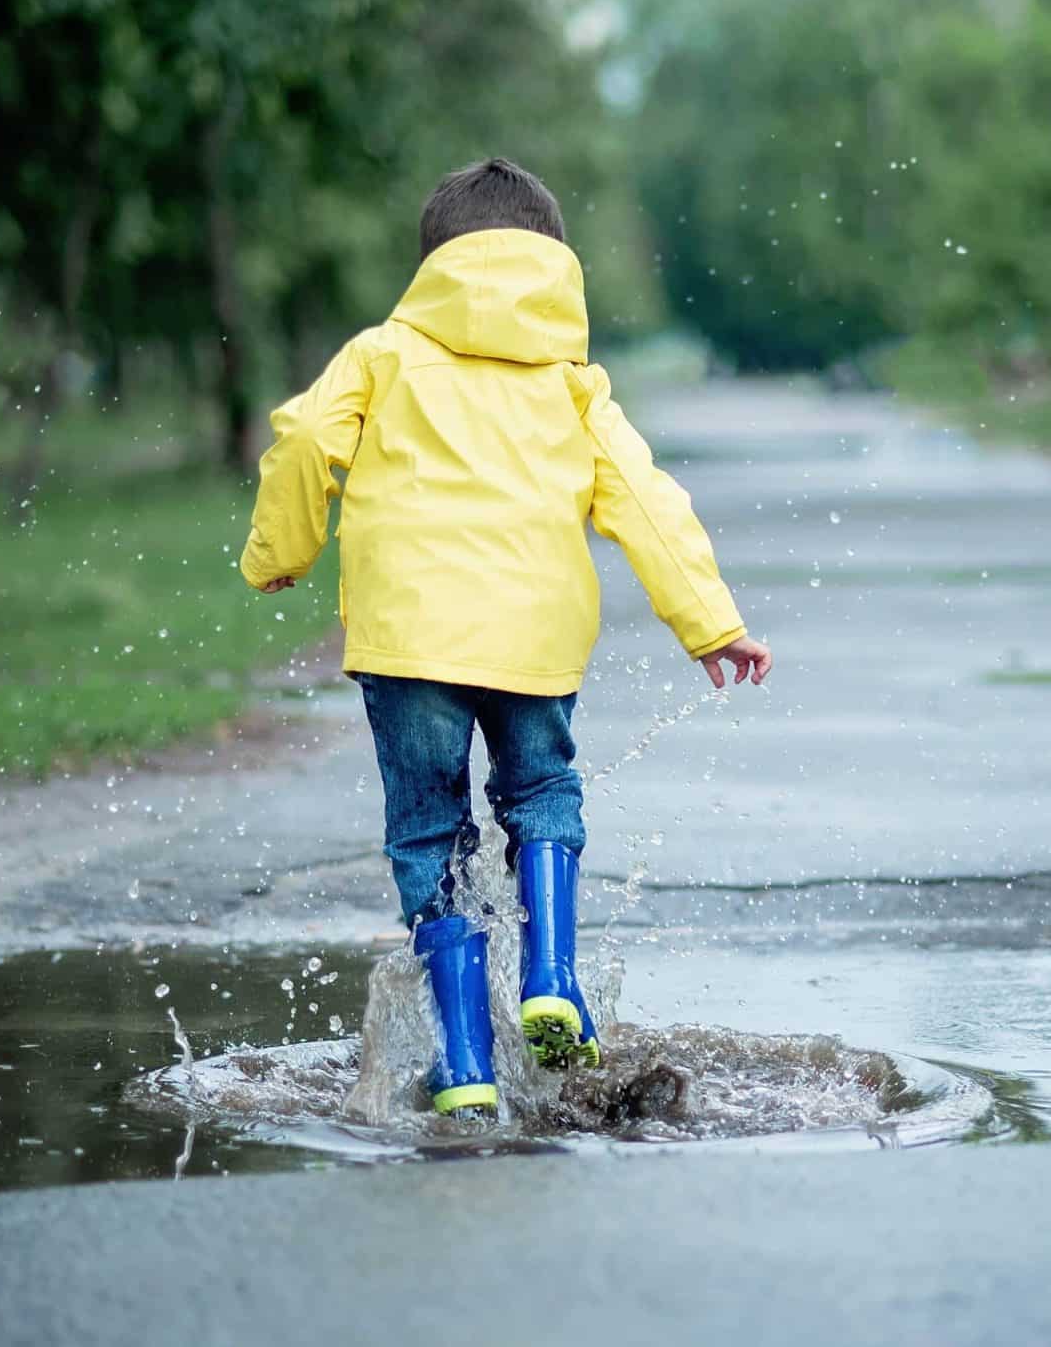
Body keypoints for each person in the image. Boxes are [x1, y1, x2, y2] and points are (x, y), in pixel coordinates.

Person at [239, 158, 771, 1115]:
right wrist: (711, 624)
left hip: (408, 645)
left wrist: (281, 550)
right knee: (542, 795)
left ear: (433, 263)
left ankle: (465, 1073)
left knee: (430, 836)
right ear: (553, 263)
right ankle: (555, 979)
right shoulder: (572, 382)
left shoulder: (380, 355)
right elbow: (648, 503)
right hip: (533, 640)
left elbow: (309, 443)